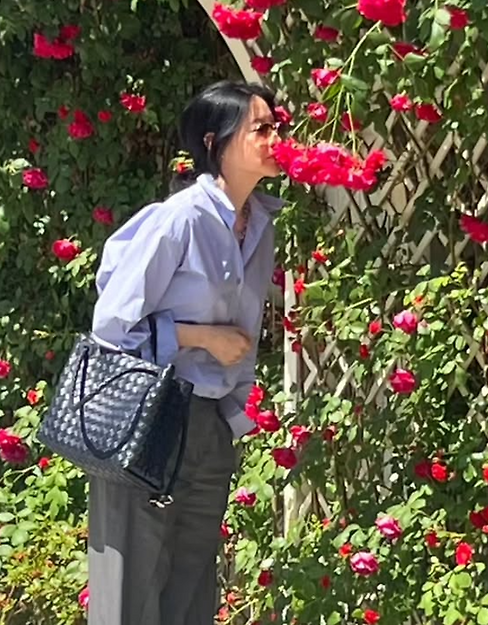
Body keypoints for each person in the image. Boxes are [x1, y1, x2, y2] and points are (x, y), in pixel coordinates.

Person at [87, 80, 285, 625]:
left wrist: (232, 421)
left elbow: (246, 333)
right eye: (261, 129)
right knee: (129, 596)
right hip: (149, 420)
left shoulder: (259, 226)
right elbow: (112, 325)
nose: (276, 140)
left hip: (209, 425)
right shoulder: (180, 218)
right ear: (215, 142)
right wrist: (198, 336)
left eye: (277, 128)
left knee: (192, 595)